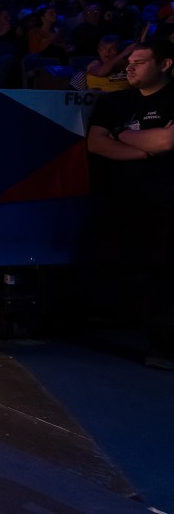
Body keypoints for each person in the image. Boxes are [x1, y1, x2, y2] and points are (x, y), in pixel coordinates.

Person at [86, 39, 174, 369]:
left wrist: (121, 135)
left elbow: (168, 139)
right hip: (120, 196)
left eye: (140, 62)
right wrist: (147, 149)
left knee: (164, 269)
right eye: (130, 62)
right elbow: (96, 144)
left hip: (166, 198)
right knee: (126, 266)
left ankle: (163, 346)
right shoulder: (116, 101)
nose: (129, 67)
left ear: (165, 65)